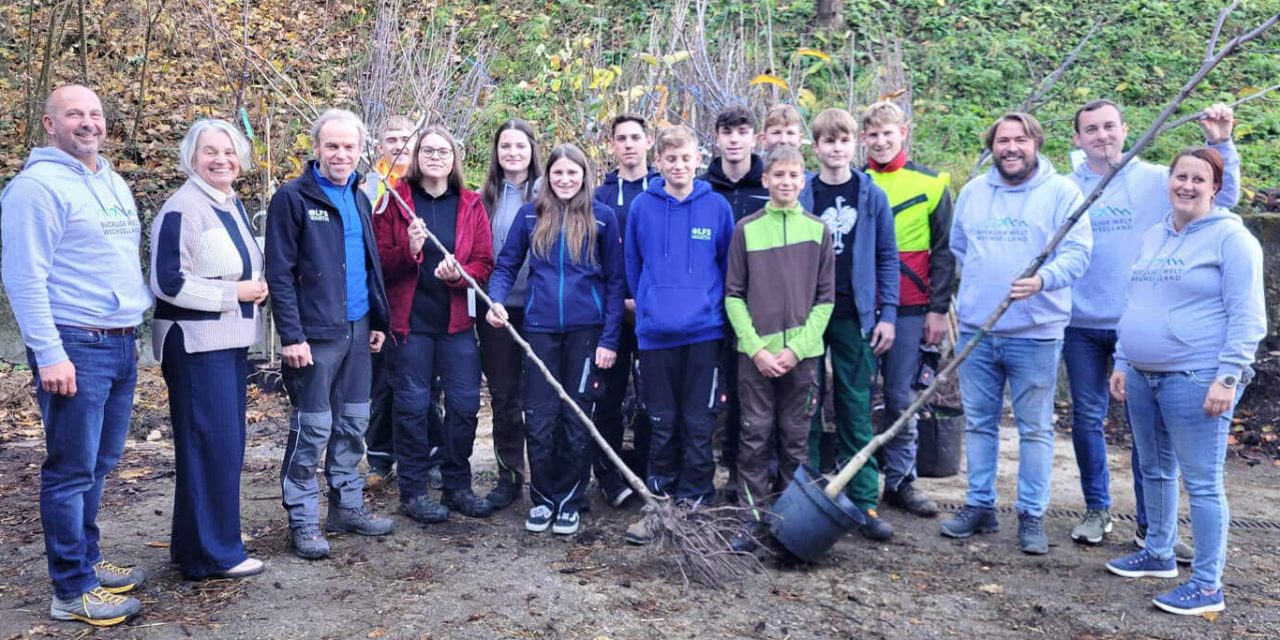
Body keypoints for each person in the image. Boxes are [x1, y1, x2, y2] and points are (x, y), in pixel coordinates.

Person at [1, 84, 152, 626]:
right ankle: (71, 589)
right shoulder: (35, 189)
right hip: (76, 345)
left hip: (120, 341)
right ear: (49, 124)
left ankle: (87, 560)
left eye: (95, 113)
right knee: (70, 470)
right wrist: (49, 353)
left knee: (100, 463)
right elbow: (24, 276)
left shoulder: (110, 180)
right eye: (73, 114)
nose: (88, 123)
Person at [1064, 100, 1239, 552]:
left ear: (1126, 130)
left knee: (1149, 433)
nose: (1102, 135)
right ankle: (1097, 509)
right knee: (1086, 418)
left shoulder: (1157, 180)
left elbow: (1221, 198)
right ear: (1077, 139)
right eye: (1091, 129)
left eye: (1109, 126)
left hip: (1141, 327)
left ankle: (1151, 527)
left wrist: (1221, 143)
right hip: (1082, 323)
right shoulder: (1067, 189)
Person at [1105, 147, 1265, 616]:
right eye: (1181, 177)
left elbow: (1248, 316)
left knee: (1203, 483)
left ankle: (1208, 584)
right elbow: (1134, 302)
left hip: (1195, 378)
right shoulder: (1154, 236)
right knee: (1154, 469)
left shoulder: (1232, 240)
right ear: (1168, 181)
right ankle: (1158, 552)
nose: (1187, 186)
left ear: (1215, 188)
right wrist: (1122, 358)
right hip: (1141, 375)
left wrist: (1228, 377)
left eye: (1199, 179)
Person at [939, 112, 1091, 556]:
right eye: (1003, 140)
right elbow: (960, 247)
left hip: (1035, 332)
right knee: (979, 423)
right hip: (978, 330)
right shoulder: (973, 192)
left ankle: (1031, 514)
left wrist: (1043, 281)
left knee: (1035, 429)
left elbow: (1078, 253)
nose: (1011, 148)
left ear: (1036, 143)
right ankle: (979, 505)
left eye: (1020, 140)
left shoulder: (1062, 193)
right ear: (993, 146)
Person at [265, 108, 394, 560]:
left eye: (349, 146)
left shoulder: (359, 196)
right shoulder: (293, 198)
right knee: (313, 427)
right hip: (314, 335)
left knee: (354, 422)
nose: (341, 154)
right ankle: (303, 519)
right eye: (332, 145)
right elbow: (279, 273)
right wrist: (291, 336)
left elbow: (368, 264)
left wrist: (377, 321)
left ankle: (347, 506)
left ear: (361, 151)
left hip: (358, 328)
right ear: (317, 147)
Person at [149, 119, 267, 580]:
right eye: (210, 151)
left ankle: (192, 546)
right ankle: (214, 554)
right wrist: (233, 294)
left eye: (229, 151)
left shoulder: (228, 203)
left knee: (220, 446)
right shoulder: (183, 207)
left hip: (227, 342)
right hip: (196, 345)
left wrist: (251, 289)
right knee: (211, 446)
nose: (221, 159)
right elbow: (168, 281)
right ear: (191, 157)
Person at [487, 144, 625, 535]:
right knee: (540, 417)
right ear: (547, 177)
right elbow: (506, 266)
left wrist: (609, 340)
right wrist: (496, 300)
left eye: (572, 173)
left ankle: (570, 500)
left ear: (584, 176)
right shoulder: (530, 215)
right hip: (540, 331)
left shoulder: (602, 218)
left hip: (586, 333)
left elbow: (615, 283)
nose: (565, 180)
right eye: (558, 173)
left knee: (576, 417)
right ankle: (544, 499)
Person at [375, 126, 495, 523]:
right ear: (416, 156)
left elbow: (484, 262)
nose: (435, 157)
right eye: (428, 150)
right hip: (410, 325)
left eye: (443, 151)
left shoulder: (470, 204)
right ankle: (412, 491)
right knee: (411, 408)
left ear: (454, 158)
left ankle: (457, 485)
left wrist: (459, 275)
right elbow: (378, 261)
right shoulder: (395, 200)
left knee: (464, 406)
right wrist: (409, 250)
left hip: (456, 325)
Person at [725, 145, 834, 550]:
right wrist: (756, 349)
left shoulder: (818, 230)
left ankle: (791, 523)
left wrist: (797, 349)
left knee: (796, 441)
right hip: (755, 358)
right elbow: (733, 295)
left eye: (793, 175)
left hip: (801, 360)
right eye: (779, 175)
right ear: (765, 179)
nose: (786, 182)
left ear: (803, 181)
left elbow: (825, 300)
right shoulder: (746, 229)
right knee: (754, 437)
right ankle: (752, 519)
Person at [799, 108, 900, 541]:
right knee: (805, 405)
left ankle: (862, 500)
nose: (836, 148)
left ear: (854, 144)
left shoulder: (871, 195)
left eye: (843, 141)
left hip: (854, 317)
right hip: (807, 316)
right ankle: (802, 493)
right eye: (828, 141)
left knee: (856, 407)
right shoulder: (802, 192)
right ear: (816, 147)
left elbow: (887, 256)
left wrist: (887, 314)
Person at [624, 125, 734, 512]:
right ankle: (661, 496)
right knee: (662, 419)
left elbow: (727, 266)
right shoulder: (642, 207)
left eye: (686, 158)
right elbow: (633, 264)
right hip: (655, 334)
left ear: (698, 160)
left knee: (699, 420)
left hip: (704, 333)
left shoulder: (716, 207)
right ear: (658, 161)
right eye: (671, 158)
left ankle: (696, 495)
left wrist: (710, 308)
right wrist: (650, 303)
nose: (679, 165)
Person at [859, 101, 954, 519]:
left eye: (888, 133)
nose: (881, 142)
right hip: (862, 308)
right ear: (863, 139)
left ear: (904, 131)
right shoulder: (855, 182)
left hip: (912, 307)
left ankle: (901, 480)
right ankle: (857, 481)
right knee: (856, 398)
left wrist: (938, 309)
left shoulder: (932, 184)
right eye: (873, 135)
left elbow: (945, 251)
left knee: (901, 397)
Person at [698, 105, 769, 503]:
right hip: (709, 308)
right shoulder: (703, 189)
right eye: (727, 132)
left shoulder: (768, 186)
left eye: (742, 132)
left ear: (754, 137)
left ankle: (745, 473)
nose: (735, 140)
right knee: (713, 393)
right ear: (717, 138)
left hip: (757, 308)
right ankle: (708, 472)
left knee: (748, 396)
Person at [591, 114, 660, 507]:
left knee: (653, 401)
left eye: (636, 137)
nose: (629, 144)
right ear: (612, 145)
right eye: (622, 138)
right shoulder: (599, 196)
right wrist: (616, 302)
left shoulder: (664, 189)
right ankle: (609, 477)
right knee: (608, 400)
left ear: (648, 142)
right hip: (611, 314)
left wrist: (645, 302)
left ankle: (649, 475)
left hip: (654, 314)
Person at [477, 119, 542, 510]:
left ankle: (548, 477)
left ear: (532, 150)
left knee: (542, 395)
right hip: (496, 310)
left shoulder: (550, 192)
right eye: (505, 146)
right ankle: (509, 476)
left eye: (520, 146)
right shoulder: (482, 198)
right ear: (496, 152)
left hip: (542, 310)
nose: (513, 153)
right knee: (504, 396)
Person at [361, 115, 417, 490]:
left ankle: (425, 455)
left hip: (419, 299)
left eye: (405, 138)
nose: (399, 145)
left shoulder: (429, 182)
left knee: (424, 387)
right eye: (391, 139)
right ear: (379, 146)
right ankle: (380, 458)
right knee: (381, 384)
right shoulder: (368, 188)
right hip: (379, 298)